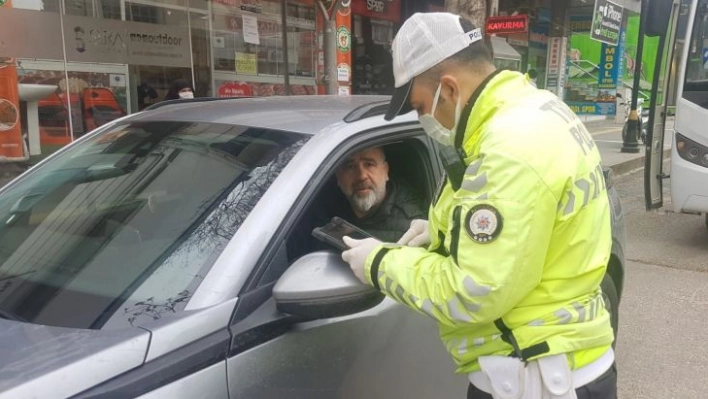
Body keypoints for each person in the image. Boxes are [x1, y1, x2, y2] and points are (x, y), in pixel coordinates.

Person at [341, 12, 616, 399]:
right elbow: (527, 225)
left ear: (449, 89)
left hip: (534, 378)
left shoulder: (508, 149)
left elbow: (472, 293)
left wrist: (378, 262)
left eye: (420, 106)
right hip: (560, 361)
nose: (423, 118)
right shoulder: (537, 108)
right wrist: (438, 230)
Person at [334, 146, 426, 242]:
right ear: (338, 177)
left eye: (369, 164)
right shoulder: (324, 209)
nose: (361, 176)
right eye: (350, 167)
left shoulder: (412, 227)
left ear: (385, 171)